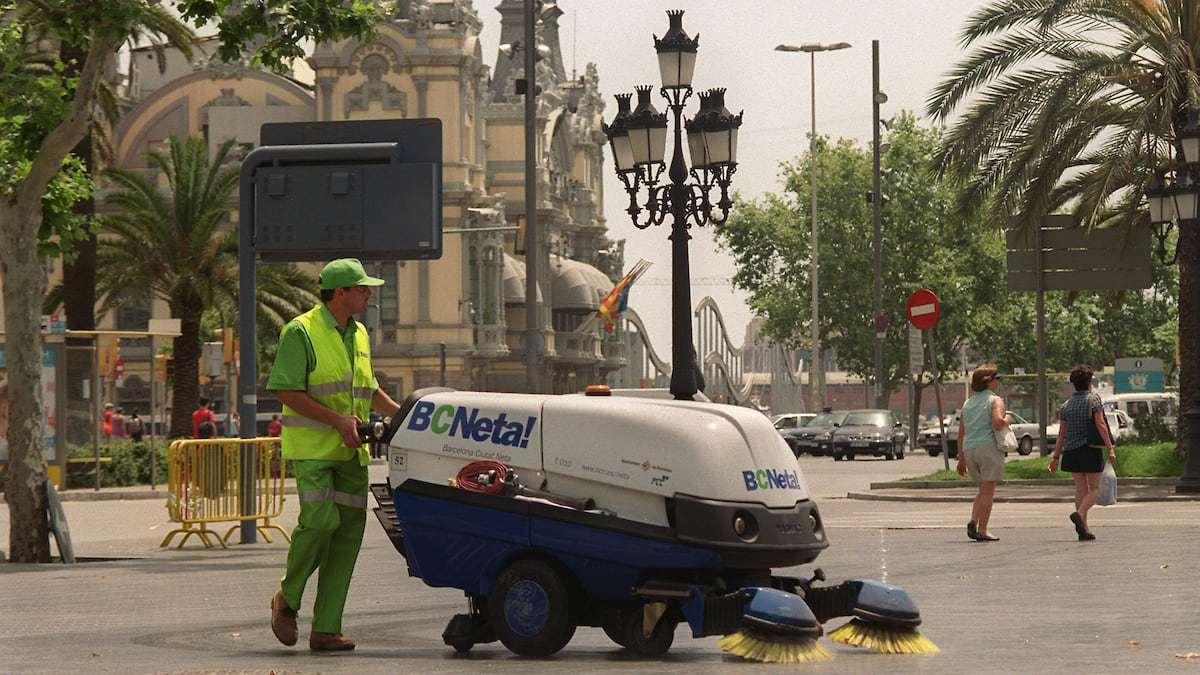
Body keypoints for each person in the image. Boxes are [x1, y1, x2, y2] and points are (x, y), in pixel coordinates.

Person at [266, 258, 402, 652]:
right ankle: (287, 599)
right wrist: (337, 421)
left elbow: (370, 388)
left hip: (351, 454)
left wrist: (406, 413)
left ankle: (326, 628)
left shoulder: (359, 333)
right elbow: (286, 392)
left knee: (346, 537)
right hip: (314, 451)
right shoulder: (301, 332)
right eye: (362, 289)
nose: (369, 294)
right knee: (320, 523)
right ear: (339, 292)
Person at [1049, 364, 1115, 541]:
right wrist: (1110, 447)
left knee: (1081, 489)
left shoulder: (1066, 406)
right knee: (1095, 488)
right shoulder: (1094, 400)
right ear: (1089, 382)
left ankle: (1084, 529)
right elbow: (1100, 424)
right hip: (1089, 449)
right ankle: (1080, 513)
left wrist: (1055, 457)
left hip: (1070, 451)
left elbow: (1061, 433)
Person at [956, 364, 1010, 542]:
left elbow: (961, 432)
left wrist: (961, 459)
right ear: (990, 382)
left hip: (970, 449)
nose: (999, 383)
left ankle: (974, 520)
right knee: (988, 491)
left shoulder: (968, 403)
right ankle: (983, 529)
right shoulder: (995, 400)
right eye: (997, 379)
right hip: (988, 448)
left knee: (982, 489)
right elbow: (997, 423)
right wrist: (1007, 418)